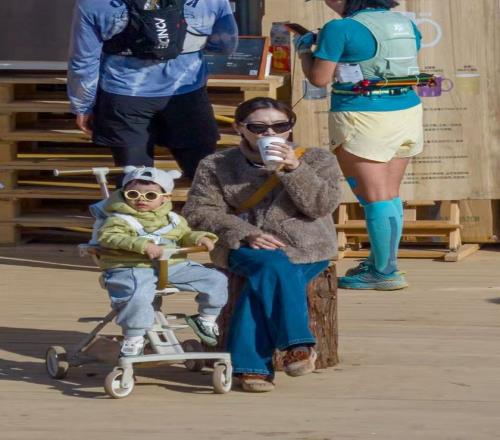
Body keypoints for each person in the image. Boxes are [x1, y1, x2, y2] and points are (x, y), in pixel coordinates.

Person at [182, 97, 343, 392]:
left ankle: (251, 367)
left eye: (280, 126)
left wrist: (295, 169)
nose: (270, 133)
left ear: (290, 127)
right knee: (271, 265)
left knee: (265, 279)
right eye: (258, 127)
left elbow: (321, 207)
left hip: (306, 245)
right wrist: (245, 232)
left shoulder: (319, 159)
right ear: (240, 128)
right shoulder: (217, 164)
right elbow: (198, 211)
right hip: (242, 245)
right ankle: (297, 345)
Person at [296, 0, 424, 290]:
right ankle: (382, 262)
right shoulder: (405, 23)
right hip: (406, 111)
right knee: (389, 195)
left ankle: (385, 272)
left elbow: (319, 79)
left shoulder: (339, 28)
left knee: (375, 197)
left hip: (363, 116)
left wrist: (305, 51)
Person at [67, 0, 238, 180]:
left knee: (135, 180)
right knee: (205, 176)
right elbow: (227, 45)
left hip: (124, 96)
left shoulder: (93, 3)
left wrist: (83, 105)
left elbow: (83, 61)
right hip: (185, 92)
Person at [97, 166, 228, 356]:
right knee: (137, 295)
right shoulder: (119, 219)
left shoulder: (174, 219)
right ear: (124, 194)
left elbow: (184, 235)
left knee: (216, 279)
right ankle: (134, 336)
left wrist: (199, 238)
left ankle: (206, 318)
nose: (141, 199)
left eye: (150, 195)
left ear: (165, 198)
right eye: (133, 194)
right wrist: (142, 245)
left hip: (172, 266)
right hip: (132, 266)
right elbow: (109, 237)